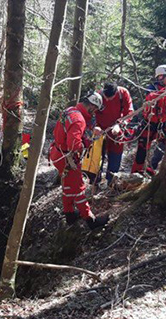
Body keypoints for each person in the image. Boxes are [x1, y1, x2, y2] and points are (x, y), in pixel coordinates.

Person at [50, 92, 109, 230]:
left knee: (68, 186)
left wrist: (89, 133)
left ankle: (69, 213)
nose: (94, 113)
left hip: (57, 154)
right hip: (67, 159)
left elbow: (71, 130)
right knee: (78, 188)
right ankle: (90, 220)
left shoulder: (70, 110)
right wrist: (87, 143)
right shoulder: (79, 120)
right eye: (94, 110)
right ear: (92, 107)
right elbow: (74, 145)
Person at [131, 65, 166, 175]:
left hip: (164, 125)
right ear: (162, 77)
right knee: (142, 152)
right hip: (150, 125)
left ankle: (154, 168)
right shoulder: (152, 89)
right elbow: (151, 97)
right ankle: (136, 173)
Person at [95, 82, 134, 185]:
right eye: (105, 97)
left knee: (115, 155)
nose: (107, 100)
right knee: (97, 156)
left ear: (116, 93)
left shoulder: (123, 93)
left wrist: (121, 124)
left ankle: (110, 181)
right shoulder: (98, 95)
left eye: (110, 98)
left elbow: (129, 112)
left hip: (116, 131)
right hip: (100, 131)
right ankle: (95, 181)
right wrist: (95, 127)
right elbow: (91, 113)